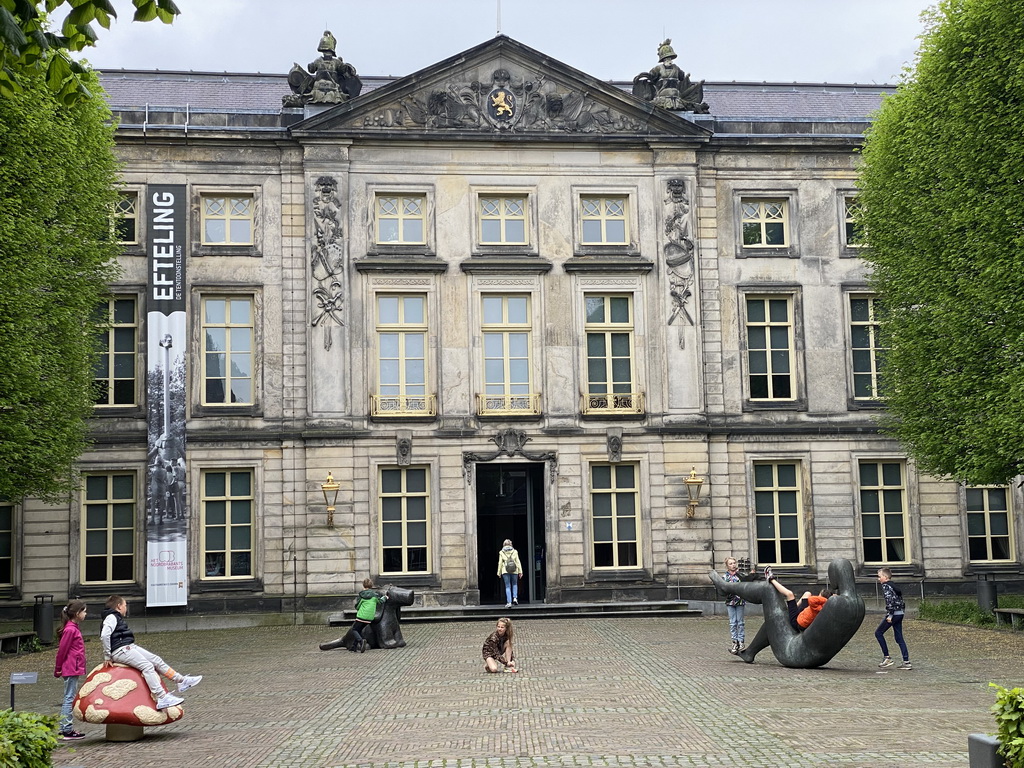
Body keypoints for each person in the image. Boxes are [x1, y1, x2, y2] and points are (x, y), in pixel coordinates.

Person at [100, 595, 202, 710]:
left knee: (155, 659)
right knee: (147, 666)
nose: (126, 608)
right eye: (125, 605)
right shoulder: (111, 617)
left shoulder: (115, 617)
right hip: (120, 650)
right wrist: (107, 656)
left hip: (128, 646)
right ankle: (162, 697)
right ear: (118, 606)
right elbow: (104, 635)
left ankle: (181, 680)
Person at [54, 600, 88, 741]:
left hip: (72, 667)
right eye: (84, 611)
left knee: (69, 697)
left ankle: (65, 728)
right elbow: (62, 650)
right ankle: (66, 728)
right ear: (77, 613)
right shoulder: (70, 629)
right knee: (69, 698)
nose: (86, 614)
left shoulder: (73, 628)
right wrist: (58, 668)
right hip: (70, 668)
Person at [763, 567, 833, 631]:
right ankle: (792, 609)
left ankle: (770, 578)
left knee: (789, 594)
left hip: (797, 621)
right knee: (807, 593)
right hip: (803, 614)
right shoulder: (824, 607)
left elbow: (811, 600)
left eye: (819, 595)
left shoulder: (818, 604)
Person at [875, 567, 911, 669]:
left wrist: (890, 615)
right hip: (900, 613)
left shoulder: (886, 586)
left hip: (893, 614)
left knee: (878, 633)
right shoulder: (894, 586)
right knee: (899, 638)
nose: (879, 579)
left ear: (885, 577)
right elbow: (901, 600)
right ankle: (906, 661)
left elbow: (890, 601)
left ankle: (887, 658)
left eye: (880, 577)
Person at [350, 578, 386, 652]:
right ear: (371, 586)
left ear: (363, 585)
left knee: (354, 629)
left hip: (361, 616)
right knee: (359, 630)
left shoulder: (362, 595)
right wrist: (385, 597)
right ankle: (354, 646)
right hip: (370, 617)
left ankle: (361, 641)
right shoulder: (375, 596)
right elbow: (380, 601)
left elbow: (357, 606)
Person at [722, 557, 746, 654]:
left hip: (740, 601)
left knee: (740, 622)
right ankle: (734, 642)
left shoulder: (740, 575)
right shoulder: (725, 577)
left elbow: (745, 585)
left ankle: (741, 641)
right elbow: (723, 589)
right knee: (732, 622)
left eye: (734, 563)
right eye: (731, 563)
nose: (733, 565)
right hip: (730, 602)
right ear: (727, 566)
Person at [497, 539, 523, 609]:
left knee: (507, 586)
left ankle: (509, 602)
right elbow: (518, 562)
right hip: (514, 570)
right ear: (511, 544)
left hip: (505, 571)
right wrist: (520, 571)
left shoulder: (501, 552)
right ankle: (515, 598)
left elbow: (500, 563)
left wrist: (499, 572)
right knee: (515, 584)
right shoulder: (515, 551)